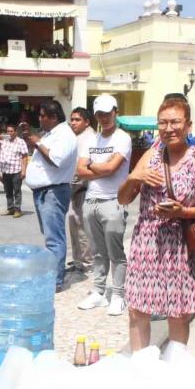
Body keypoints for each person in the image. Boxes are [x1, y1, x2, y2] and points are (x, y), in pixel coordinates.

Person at [119, 97, 195, 350]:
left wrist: (183, 211)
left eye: (175, 122)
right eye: (162, 123)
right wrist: (134, 177)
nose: (168, 128)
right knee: (137, 309)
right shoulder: (150, 155)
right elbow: (123, 198)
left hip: (182, 245)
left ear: (187, 125)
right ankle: (141, 368)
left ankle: (176, 369)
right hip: (148, 241)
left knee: (178, 313)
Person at [75, 94, 133, 316]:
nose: (105, 118)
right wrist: (102, 166)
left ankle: (118, 294)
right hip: (91, 200)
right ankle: (99, 292)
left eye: (108, 113)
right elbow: (80, 171)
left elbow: (113, 169)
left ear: (115, 112)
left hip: (113, 200)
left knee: (115, 251)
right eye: (100, 114)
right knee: (98, 252)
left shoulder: (122, 138)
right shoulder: (91, 139)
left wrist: (93, 165)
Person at [25, 100, 78, 290]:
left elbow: (56, 160)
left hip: (53, 192)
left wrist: (37, 142)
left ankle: (55, 280)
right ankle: (51, 275)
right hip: (44, 191)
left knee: (55, 238)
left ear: (54, 117)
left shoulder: (65, 135)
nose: (39, 119)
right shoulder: (51, 134)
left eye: (42, 115)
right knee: (50, 237)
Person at [67, 107, 96, 272]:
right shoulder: (78, 137)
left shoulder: (89, 139)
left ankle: (86, 262)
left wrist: (68, 187)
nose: (73, 123)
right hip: (76, 189)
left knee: (82, 227)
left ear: (87, 122)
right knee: (74, 223)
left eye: (77, 120)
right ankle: (78, 260)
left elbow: (81, 169)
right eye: (72, 119)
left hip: (84, 189)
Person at [0, 124, 29, 218]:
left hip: (16, 170)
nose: (9, 133)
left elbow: (24, 157)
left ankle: (18, 210)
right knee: (8, 191)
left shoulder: (20, 142)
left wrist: (24, 171)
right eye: (8, 131)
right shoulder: (4, 141)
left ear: (15, 132)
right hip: (6, 171)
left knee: (17, 191)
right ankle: (10, 208)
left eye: (11, 131)